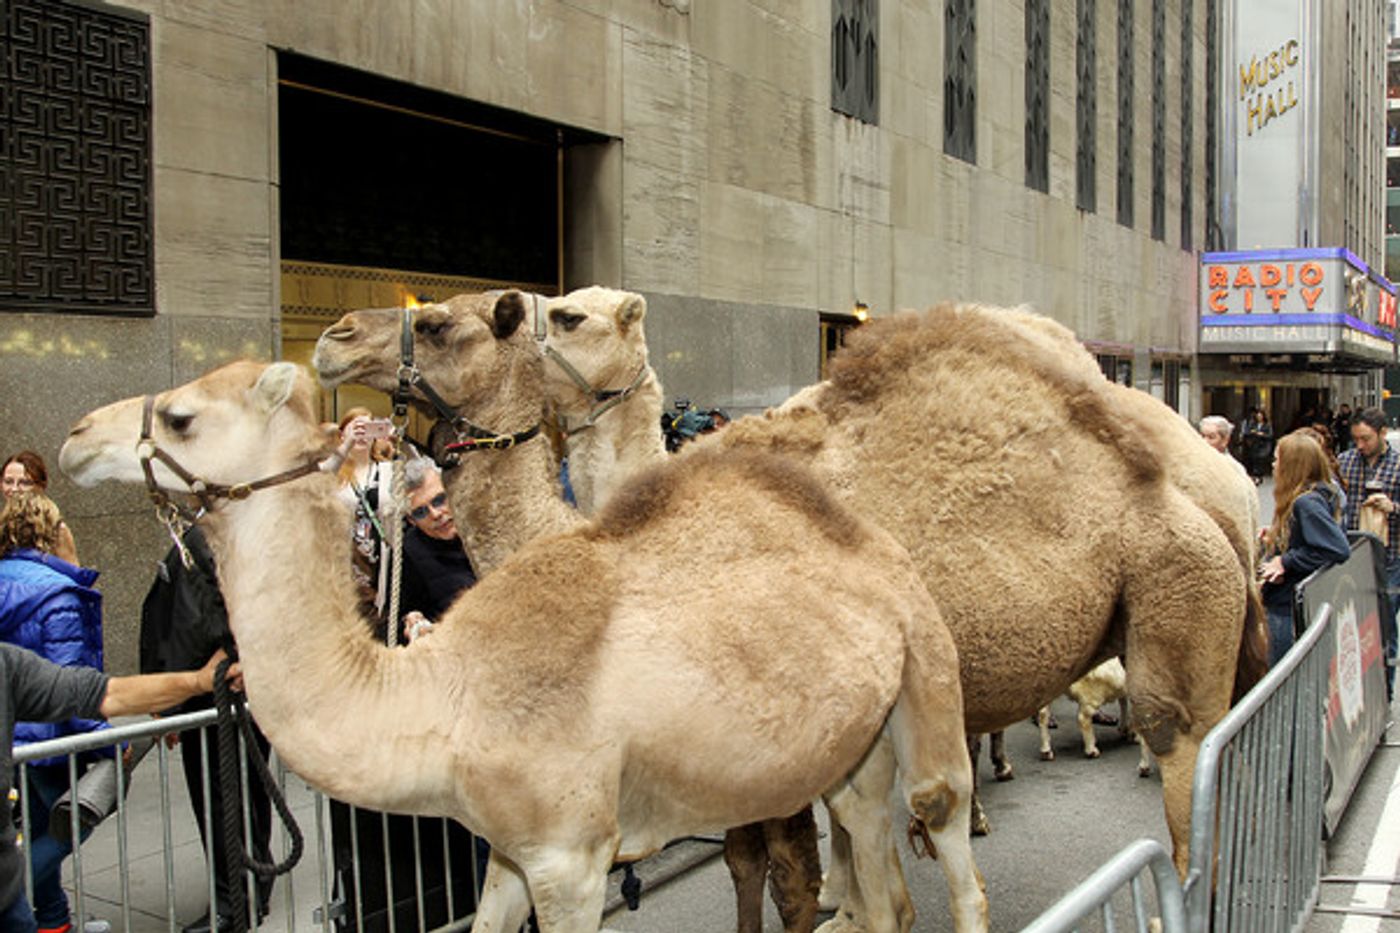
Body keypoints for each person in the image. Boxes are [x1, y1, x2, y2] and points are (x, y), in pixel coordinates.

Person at [0, 638, 239, 932]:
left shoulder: (6, 665)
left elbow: (108, 694)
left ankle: (52, 915)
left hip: (9, 904)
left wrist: (199, 681)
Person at [138, 525, 273, 933]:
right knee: (243, 794)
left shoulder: (206, 539)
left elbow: (196, 624)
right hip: (223, 690)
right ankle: (251, 888)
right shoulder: (222, 535)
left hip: (217, 695)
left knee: (225, 798)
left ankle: (236, 902)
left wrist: (173, 698)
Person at [0, 494, 111, 933]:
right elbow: (72, 684)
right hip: (49, 741)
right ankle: (15, 892)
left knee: (28, 830)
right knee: (71, 827)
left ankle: (52, 920)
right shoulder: (57, 591)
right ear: (50, 530)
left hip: (12, 735)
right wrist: (108, 741)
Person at [1259, 432, 1351, 665]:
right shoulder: (1318, 495)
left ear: (1292, 466)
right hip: (1293, 602)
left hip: (1287, 607)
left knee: (1282, 671)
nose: (1273, 465)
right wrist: (1277, 537)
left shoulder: (1306, 502)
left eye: (1277, 459)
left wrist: (1286, 561)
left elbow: (1336, 548)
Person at [1337, 407, 1400, 695]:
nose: (1360, 445)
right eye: (1356, 439)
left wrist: (1393, 507)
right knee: (1354, 624)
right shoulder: (1345, 461)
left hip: (1390, 556)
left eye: (1366, 439)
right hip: (1351, 556)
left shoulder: (1397, 464)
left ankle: (1383, 693)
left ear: (1382, 433)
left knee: (1384, 624)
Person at [394, 458, 477, 642]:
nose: (436, 514)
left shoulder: (483, 519)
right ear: (411, 520)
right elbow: (397, 620)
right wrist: (411, 621)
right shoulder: (407, 554)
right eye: (421, 512)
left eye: (439, 500)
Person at [334, 409, 395, 618]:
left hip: (383, 556)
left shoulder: (389, 470)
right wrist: (344, 448)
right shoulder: (334, 473)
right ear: (343, 434)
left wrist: (398, 438)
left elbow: (419, 478)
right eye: (355, 428)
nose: (361, 434)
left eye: (367, 428)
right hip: (346, 557)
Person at [1, 454, 77, 566]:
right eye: (8, 481)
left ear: (41, 486)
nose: (14, 489)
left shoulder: (57, 530)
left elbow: (72, 571)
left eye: (25, 482)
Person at [1242, 409, 1274, 484]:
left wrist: (1262, 434)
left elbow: (1270, 435)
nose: (1259, 417)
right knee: (1254, 460)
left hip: (1263, 445)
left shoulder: (1267, 425)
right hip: (1254, 445)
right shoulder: (1253, 424)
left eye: (1260, 416)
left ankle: (1259, 475)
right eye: (1258, 416)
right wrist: (1252, 432)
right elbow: (1246, 432)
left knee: (1260, 459)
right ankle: (1255, 475)